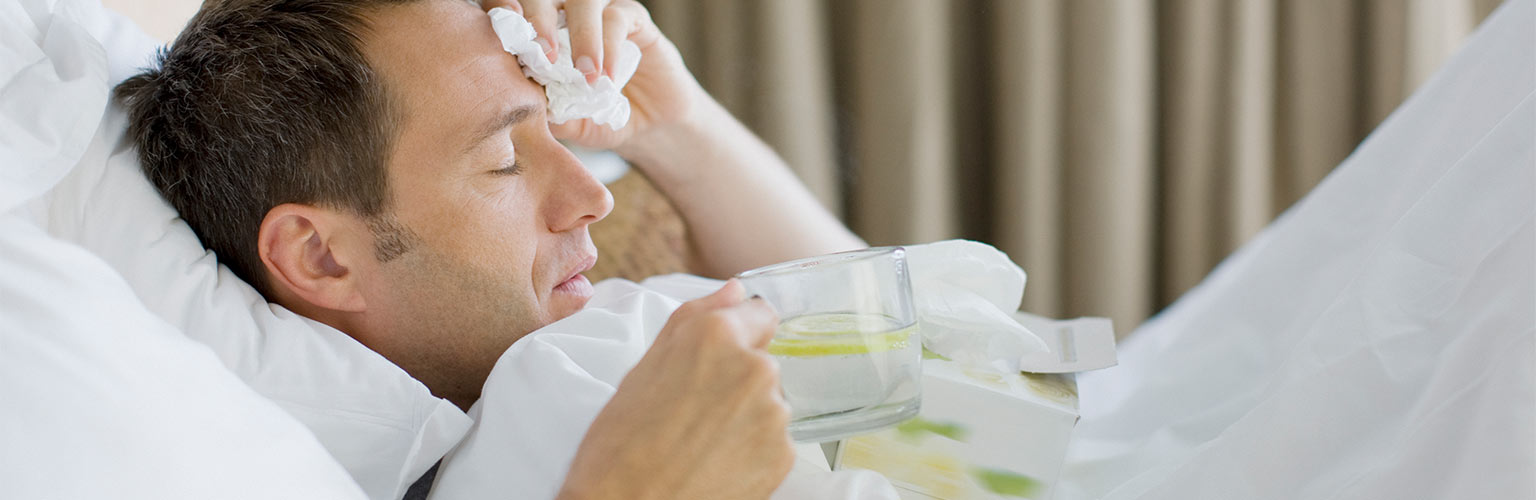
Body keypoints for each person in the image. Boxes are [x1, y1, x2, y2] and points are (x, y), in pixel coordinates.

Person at [114, 0, 865, 497]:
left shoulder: (590, 335)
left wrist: (676, 128)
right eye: (506, 159)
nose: (593, 197)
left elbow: (893, 325)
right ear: (320, 257)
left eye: (552, 129)